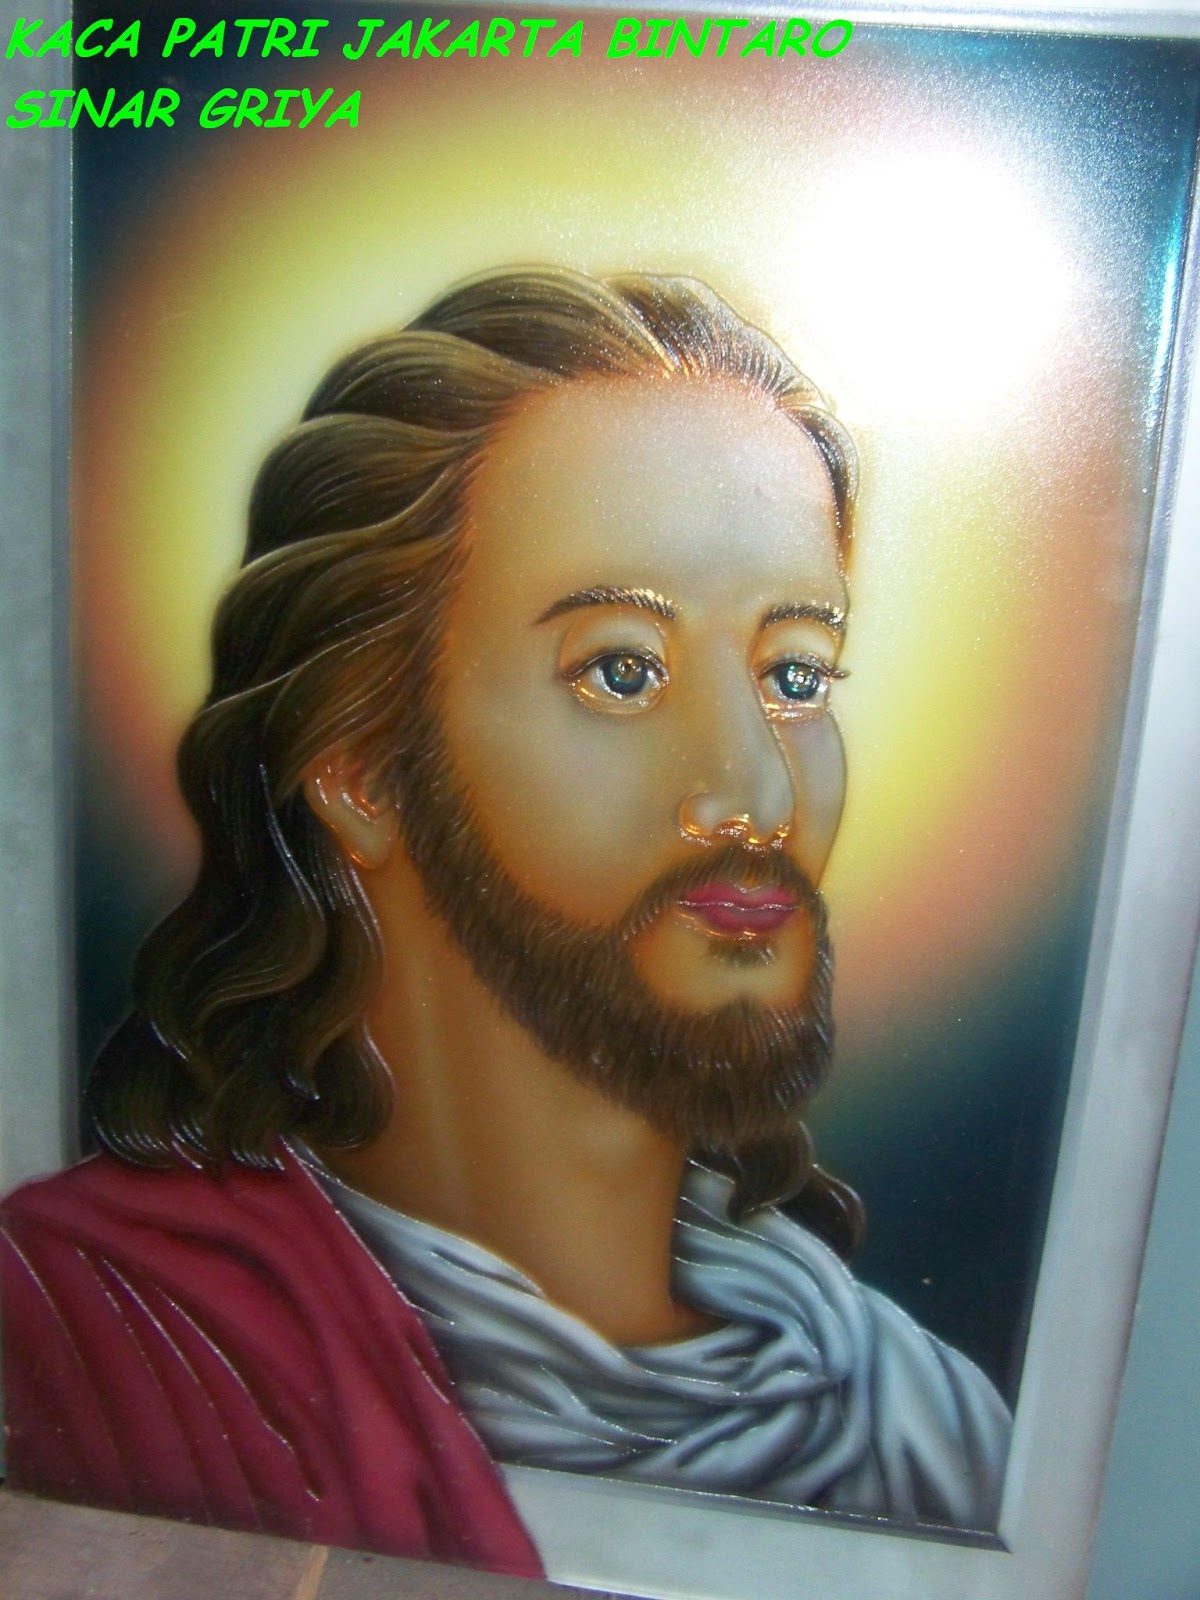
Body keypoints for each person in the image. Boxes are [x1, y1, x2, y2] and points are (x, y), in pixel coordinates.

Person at [1, 269, 1009, 1577]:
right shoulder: (105, 1341)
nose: (756, 792)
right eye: (623, 671)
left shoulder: (922, 1424)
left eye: (794, 674)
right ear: (363, 767)